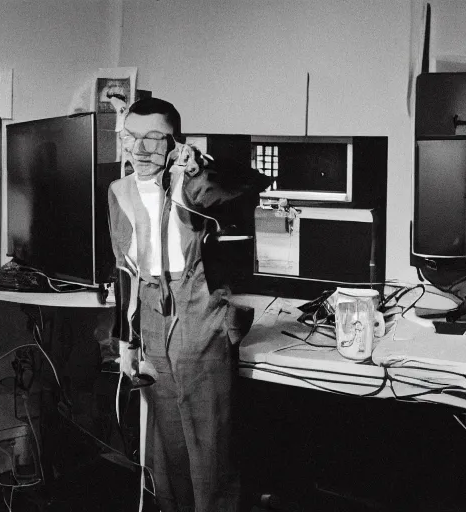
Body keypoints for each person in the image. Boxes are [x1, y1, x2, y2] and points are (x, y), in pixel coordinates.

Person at [109, 98, 272, 512]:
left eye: (154, 139)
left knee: (210, 451)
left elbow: (249, 184)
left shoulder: (190, 186)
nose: (140, 150)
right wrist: (126, 342)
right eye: (132, 138)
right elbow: (123, 271)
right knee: (170, 451)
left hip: (197, 313)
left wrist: (196, 164)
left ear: (175, 143)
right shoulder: (120, 191)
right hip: (148, 313)